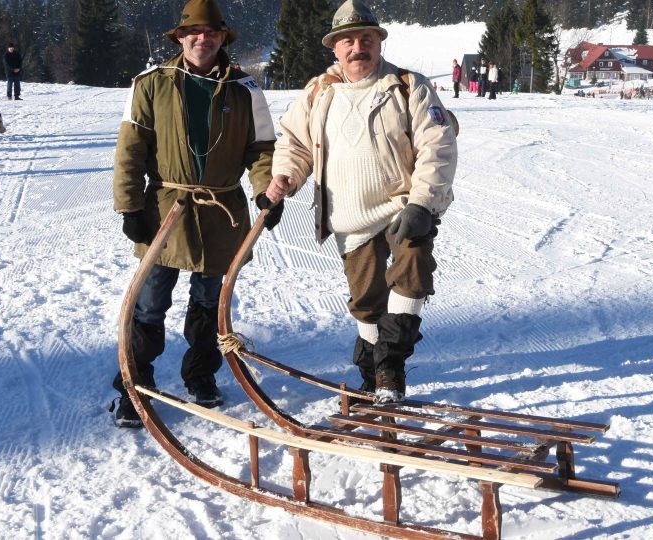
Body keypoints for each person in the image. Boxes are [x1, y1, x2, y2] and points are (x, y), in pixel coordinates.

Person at [268, 0, 457, 404]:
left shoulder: (408, 85)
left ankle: (391, 367)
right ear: (335, 48)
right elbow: (294, 143)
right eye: (348, 40)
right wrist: (285, 175)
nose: (358, 47)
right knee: (366, 300)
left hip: (402, 206)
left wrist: (422, 203)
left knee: (412, 269)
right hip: (349, 216)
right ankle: (372, 375)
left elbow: (438, 145)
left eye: (367, 38)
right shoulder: (320, 91)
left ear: (379, 43)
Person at [109, 0, 279, 428]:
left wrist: (265, 192)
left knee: (209, 303)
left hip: (222, 212)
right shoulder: (152, 84)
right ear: (180, 38)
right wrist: (130, 206)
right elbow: (130, 150)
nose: (202, 39)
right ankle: (135, 385)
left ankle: (201, 376)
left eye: (211, 33)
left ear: (222, 37)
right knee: (149, 304)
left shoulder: (246, 89)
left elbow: (262, 151)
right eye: (193, 33)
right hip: (166, 209)